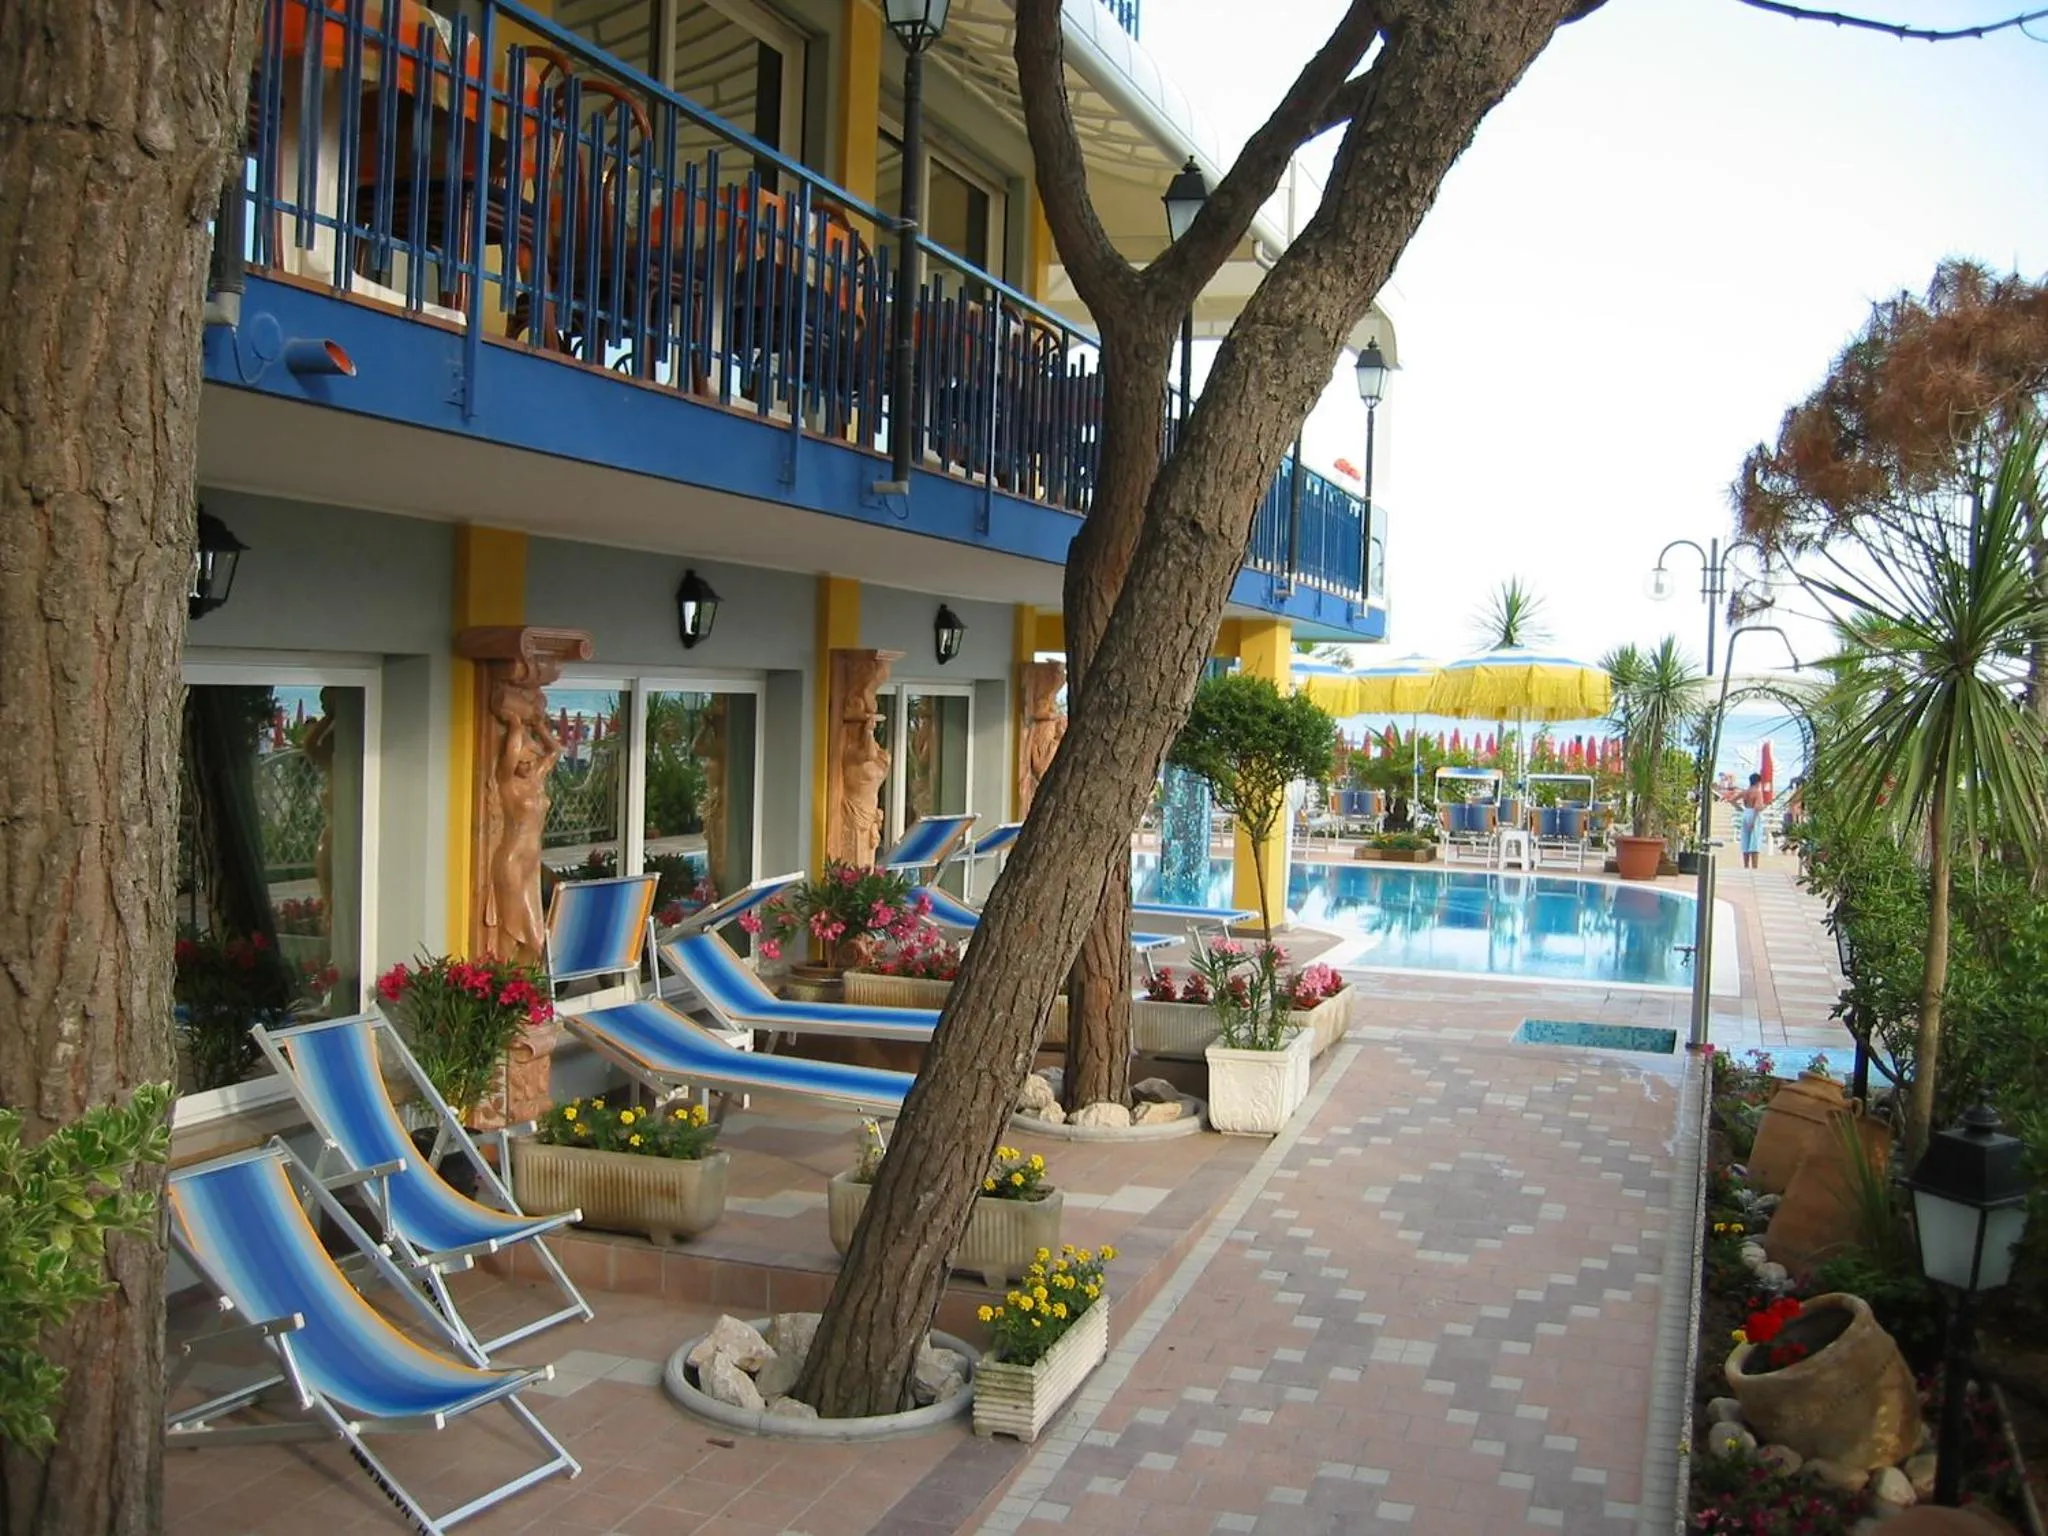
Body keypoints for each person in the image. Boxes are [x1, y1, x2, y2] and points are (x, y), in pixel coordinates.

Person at [1722, 771, 1769, 870]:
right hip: (1754, 815)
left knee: (1746, 841)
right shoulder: (1757, 792)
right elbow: (1757, 808)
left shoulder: (1745, 791)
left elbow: (1732, 800)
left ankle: (1746, 865)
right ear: (1758, 782)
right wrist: (1765, 806)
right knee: (1755, 842)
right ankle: (1754, 866)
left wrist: (1739, 808)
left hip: (1746, 813)